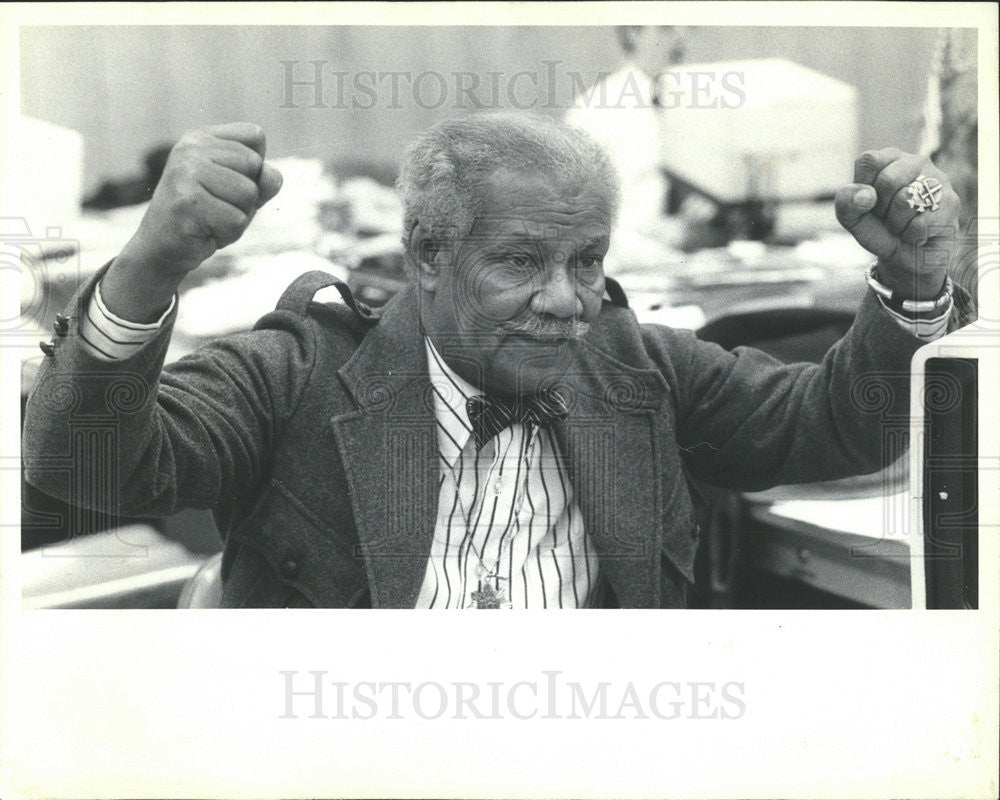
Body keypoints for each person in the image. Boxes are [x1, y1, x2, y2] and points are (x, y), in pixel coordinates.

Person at [23, 113, 968, 608]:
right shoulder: (298, 374)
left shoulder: (632, 367)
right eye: (521, 262)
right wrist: (149, 267)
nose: (567, 300)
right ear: (428, 257)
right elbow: (86, 466)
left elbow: (838, 423)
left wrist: (919, 284)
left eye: (588, 261)